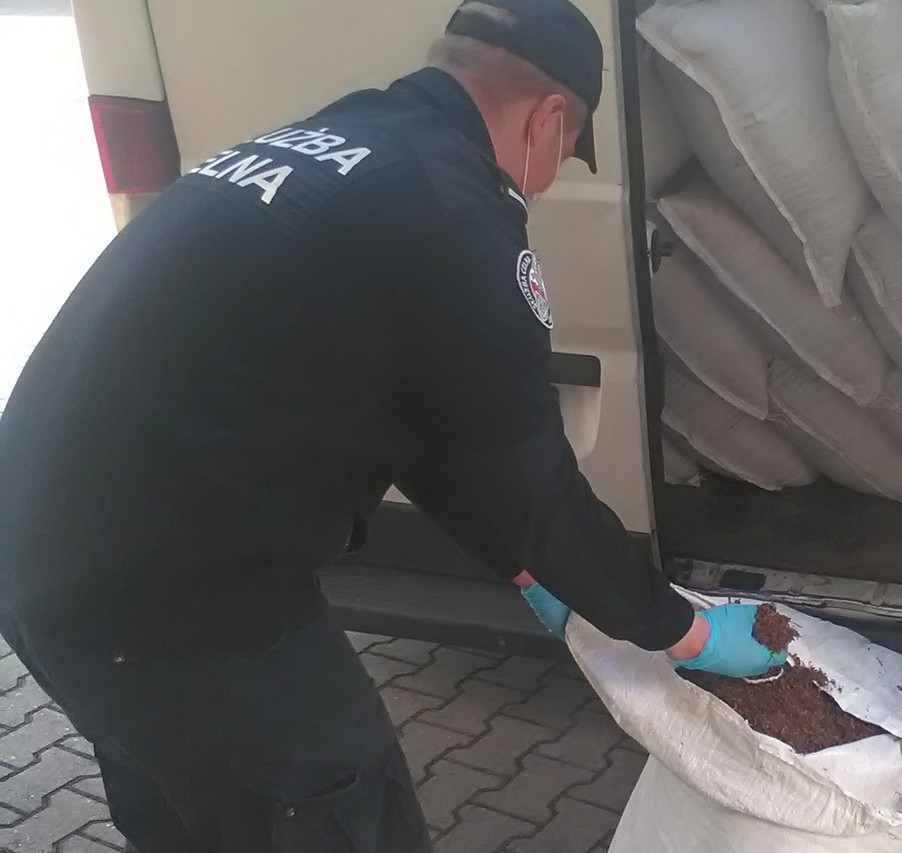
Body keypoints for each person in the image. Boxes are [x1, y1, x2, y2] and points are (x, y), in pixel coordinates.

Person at [0, 0, 786, 850]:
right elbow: (536, 484)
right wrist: (682, 629)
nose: (546, 181)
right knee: (339, 796)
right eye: (564, 154)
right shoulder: (456, 213)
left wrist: (521, 566)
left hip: (43, 553)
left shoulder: (343, 141)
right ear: (548, 117)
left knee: (197, 807)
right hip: (179, 601)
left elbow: (432, 429)